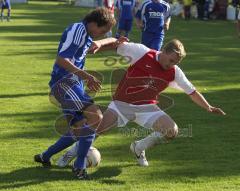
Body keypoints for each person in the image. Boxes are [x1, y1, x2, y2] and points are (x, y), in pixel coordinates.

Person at [57, 39, 226, 168]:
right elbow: (117, 44)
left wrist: (208, 107)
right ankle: (69, 154)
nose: (172, 65)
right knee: (97, 130)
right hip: (122, 104)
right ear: (165, 51)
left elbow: (192, 92)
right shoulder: (142, 52)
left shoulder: (174, 72)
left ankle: (138, 147)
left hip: (147, 108)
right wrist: (98, 46)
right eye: (172, 60)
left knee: (172, 131)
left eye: (176, 63)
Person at [33, 8, 120, 180]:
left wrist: (114, 41)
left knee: (80, 128)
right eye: (101, 31)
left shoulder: (86, 34)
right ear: (94, 24)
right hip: (64, 84)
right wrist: (86, 76)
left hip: (71, 85)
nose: (100, 35)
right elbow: (61, 59)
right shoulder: (78, 30)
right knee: (96, 117)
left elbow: (93, 47)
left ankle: (46, 156)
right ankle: (79, 167)